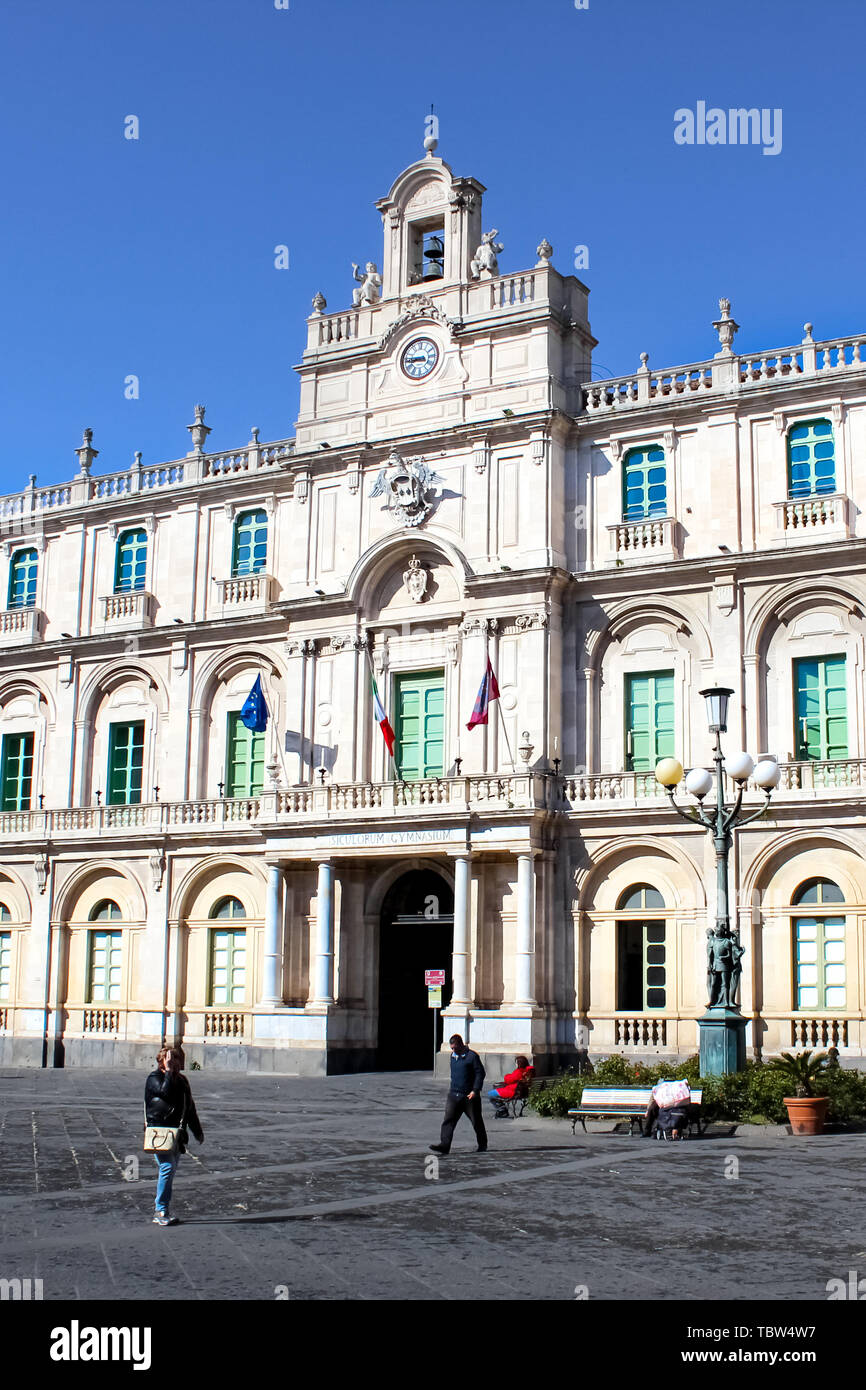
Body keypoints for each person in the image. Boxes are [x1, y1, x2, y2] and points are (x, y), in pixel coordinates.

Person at [144, 1045, 204, 1225]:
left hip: (176, 1134)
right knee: (167, 1168)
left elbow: (189, 1107)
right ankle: (160, 1210)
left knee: (170, 1171)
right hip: (160, 1132)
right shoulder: (154, 1078)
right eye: (171, 1059)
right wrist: (169, 1072)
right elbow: (165, 1093)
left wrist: (197, 1131)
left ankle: (164, 1209)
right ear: (162, 1061)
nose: (175, 1062)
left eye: (177, 1059)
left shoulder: (183, 1081)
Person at [430, 1034, 487, 1154]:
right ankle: (444, 1145)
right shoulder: (453, 1056)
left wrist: (475, 1090)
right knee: (448, 1120)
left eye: (455, 1048)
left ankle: (482, 1145)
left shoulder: (472, 1056)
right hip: (454, 1095)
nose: (453, 1050)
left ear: (461, 1044)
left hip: (469, 1096)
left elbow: (480, 1073)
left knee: (476, 1121)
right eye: (452, 1048)